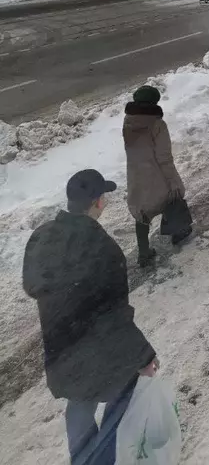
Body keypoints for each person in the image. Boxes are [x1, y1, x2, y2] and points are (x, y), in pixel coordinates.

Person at [22, 169, 157, 465]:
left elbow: (33, 285)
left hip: (61, 349)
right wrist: (144, 356)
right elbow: (116, 316)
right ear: (98, 202)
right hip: (98, 351)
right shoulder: (103, 250)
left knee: (80, 402)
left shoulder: (43, 238)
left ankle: (82, 460)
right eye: (103, 196)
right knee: (124, 392)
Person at [123, 85, 189, 268]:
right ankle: (178, 233)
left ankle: (143, 253)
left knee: (142, 212)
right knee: (172, 199)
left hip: (136, 173)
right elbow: (164, 156)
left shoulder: (128, 121)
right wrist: (173, 180)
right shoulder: (158, 124)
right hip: (156, 173)